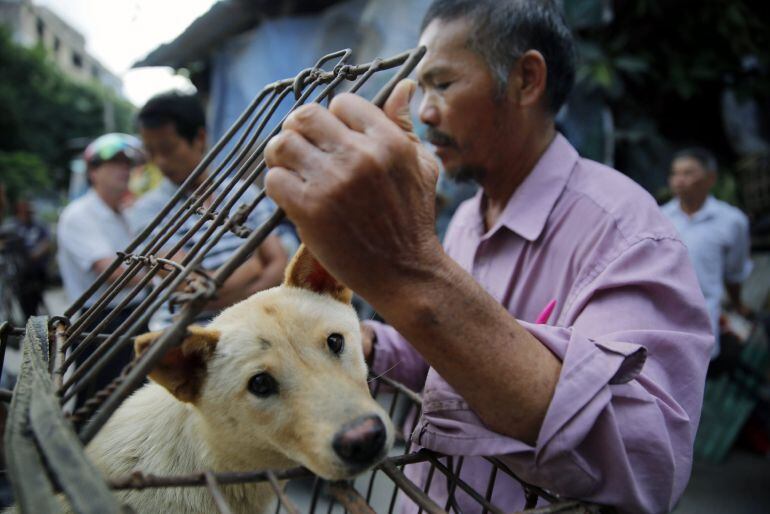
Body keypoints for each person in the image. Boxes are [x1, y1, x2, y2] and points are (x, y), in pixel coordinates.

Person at [263, 1, 713, 512]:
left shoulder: (628, 235)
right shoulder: (471, 214)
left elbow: (644, 463)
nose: (425, 111)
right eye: (421, 88)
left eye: (443, 84)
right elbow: (441, 353)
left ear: (525, 80)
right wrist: (368, 344)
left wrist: (409, 268)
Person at [128, 92, 295, 329]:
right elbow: (192, 289)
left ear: (199, 138)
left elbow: (280, 264)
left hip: (256, 328)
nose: (160, 162)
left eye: (167, 148)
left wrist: (219, 290)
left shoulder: (241, 194)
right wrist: (256, 265)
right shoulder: (148, 211)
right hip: (184, 338)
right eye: (151, 152)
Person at [57, 133, 148, 406]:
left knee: (133, 402)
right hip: (99, 322)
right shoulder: (80, 214)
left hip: (132, 314)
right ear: (94, 172)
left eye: (127, 163)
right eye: (114, 163)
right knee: (98, 407)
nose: (124, 169)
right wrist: (163, 275)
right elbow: (112, 273)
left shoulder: (126, 214)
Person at [662, 147, 753, 358]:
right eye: (675, 174)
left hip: (703, 321)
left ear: (710, 178)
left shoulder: (732, 221)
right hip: (664, 317)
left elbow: (735, 273)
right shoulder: (660, 217)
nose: (679, 180)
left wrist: (738, 305)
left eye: (688, 173)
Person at [6, 199, 51, 317]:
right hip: (19, 272)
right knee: (25, 302)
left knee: (37, 298)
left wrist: (35, 254)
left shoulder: (38, 224)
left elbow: (47, 242)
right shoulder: (11, 226)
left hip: (37, 270)